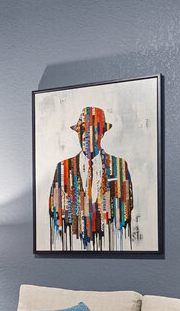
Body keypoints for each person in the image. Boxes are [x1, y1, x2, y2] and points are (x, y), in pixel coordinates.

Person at [47, 105, 133, 250]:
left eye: (92, 130)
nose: (85, 134)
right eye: (82, 130)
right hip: (73, 246)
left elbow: (125, 213)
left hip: (109, 246)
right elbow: (55, 213)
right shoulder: (63, 168)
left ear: (102, 133)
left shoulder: (118, 166)